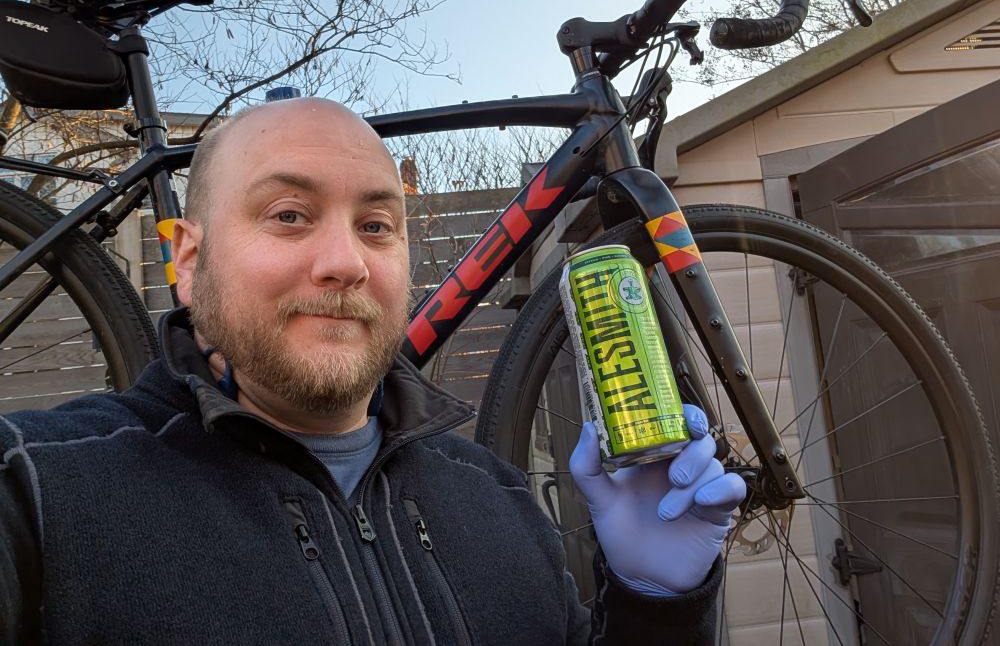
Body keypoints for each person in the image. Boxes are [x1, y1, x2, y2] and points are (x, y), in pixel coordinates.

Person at [0, 98, 745, 644]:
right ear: (188, 262)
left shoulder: (501, 500)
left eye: (376, 227)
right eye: (289, 214)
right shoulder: (35, 492)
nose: (345, 263)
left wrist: (657, 607)